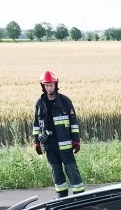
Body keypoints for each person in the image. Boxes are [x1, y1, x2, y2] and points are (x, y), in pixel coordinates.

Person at [33, 70, 85, 198]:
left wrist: (76, 141)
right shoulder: (40, 103)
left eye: (51, 85)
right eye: (46, 85)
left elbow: (73, 123)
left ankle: (80, 197)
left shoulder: (65, 101)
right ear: (43, 86)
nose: (49, 88)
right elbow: (36, 125)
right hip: (50, 146)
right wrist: (36, 142)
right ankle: (62, 198)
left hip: (65, 144)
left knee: (72, 171)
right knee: (56, 173)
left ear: (55, 85)